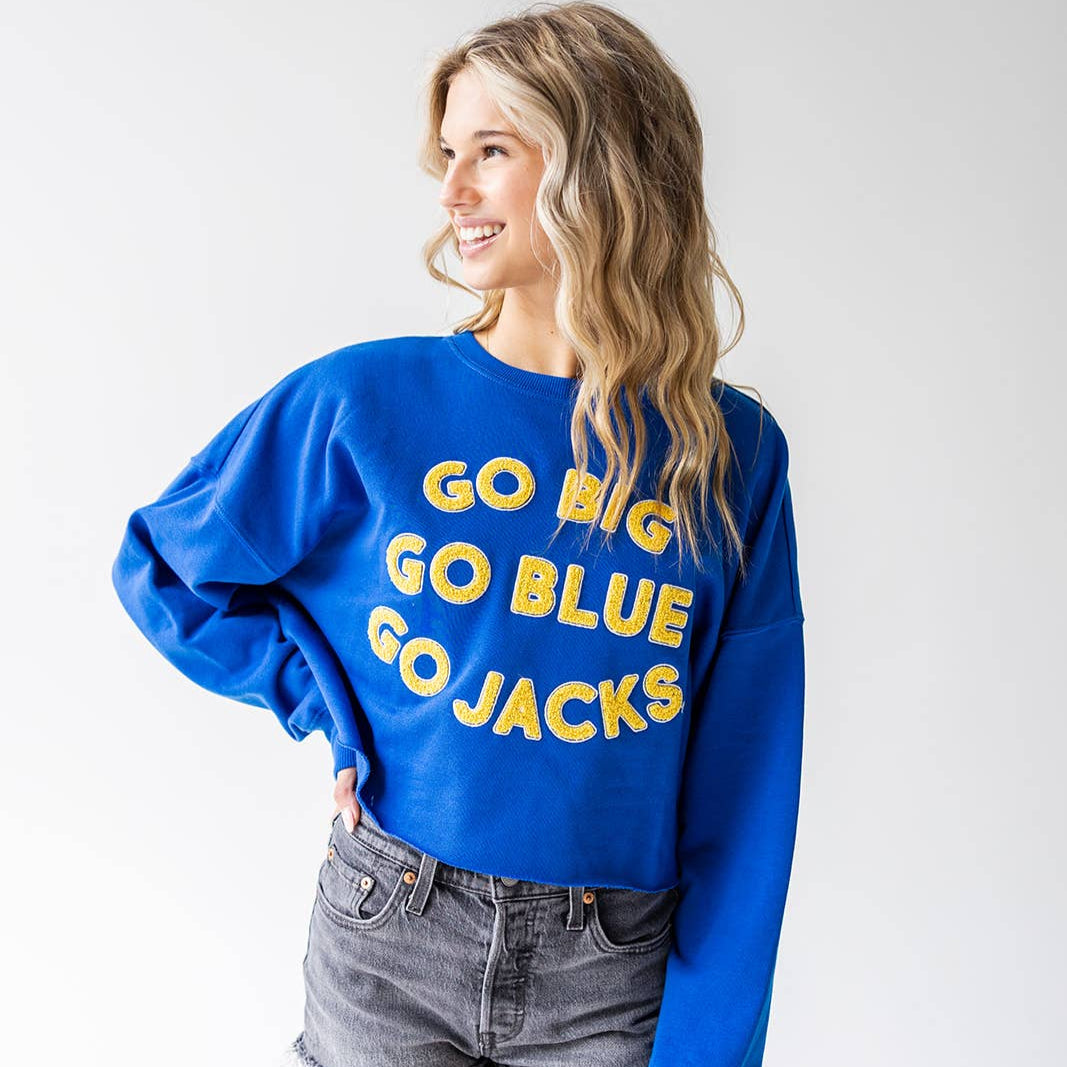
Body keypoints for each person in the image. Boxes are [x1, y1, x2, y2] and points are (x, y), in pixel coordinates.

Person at [110, 3, 805, 1065]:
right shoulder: (361, 402)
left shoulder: (729, 455)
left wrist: (710, 1049)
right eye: (447, 154)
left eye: (490, 150)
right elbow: (166, 565)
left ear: (597, 169)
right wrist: (325, 706)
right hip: (389, 931)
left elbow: (744, 789)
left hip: (611, 970)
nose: (451, 193)